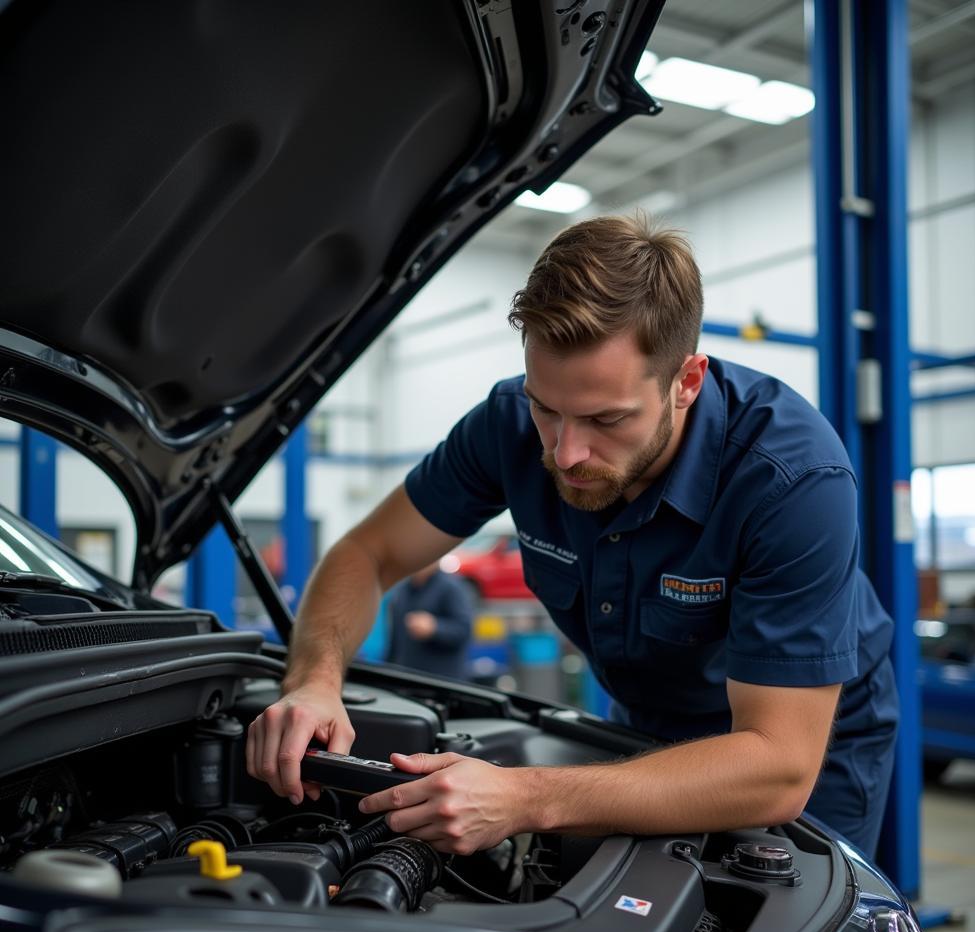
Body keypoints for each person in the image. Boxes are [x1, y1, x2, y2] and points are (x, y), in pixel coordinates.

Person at [246, 214, 898, 859]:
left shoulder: (791, 480)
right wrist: (314, 680)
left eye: (604, 418)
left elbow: (777, 764)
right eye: (545, 407)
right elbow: (368, 551)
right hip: (644, 723)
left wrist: (526, 798)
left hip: (802, 745)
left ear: (686, 382)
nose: (564, 452)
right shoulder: (507, 426)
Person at [385, 561, 473, 680]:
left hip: (441, 681)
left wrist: (435, 628)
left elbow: (464, 629)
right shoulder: (401, 590)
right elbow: (395, 639)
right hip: (408, 677)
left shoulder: (451, 587)